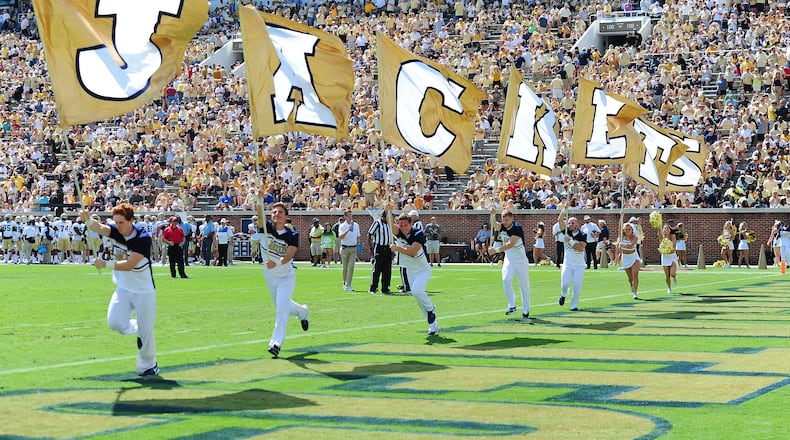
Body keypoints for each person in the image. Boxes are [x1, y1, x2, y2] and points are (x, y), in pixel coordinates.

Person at [80, 203, 159, 376]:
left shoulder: (142, 238)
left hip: (143, 290)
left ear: (131, 220)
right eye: (116, 222)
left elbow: (130, 264)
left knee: (147, 335)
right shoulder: (117, 230)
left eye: (121, 222)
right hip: (123, 288)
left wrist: (105, 264)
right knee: (115, 322)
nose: (118, 226)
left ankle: (148, 365)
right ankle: (136, 327)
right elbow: (100, 227)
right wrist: (88, 219)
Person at [255, 201, 309, 359]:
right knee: (285, 306)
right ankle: (303, 311)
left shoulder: (292, 234)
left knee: (281, 309)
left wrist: (276, 263)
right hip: (270, 276)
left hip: (285, 276)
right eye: (273, 212)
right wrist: (259, 199)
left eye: (279, 212)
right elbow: (259, 217)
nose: (276, 215)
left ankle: (275, 344)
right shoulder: (266, 229)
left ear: (286, 216)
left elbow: (290, 255)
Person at [391, 212, 439, 335]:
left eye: (406, 225)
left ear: (411, 224)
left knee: (417, 291)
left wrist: (398, 249)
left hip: (423, 269)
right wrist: (388, 211)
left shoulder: (418, 234)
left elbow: (412, 252)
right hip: (410, 270)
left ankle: (431, 308)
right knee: (418, 299)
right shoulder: (399, 231)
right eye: (400, 225)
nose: (403, 228)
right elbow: (391, 227)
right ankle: (433, 326)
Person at [489, 208, 531, 319]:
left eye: (507, 219)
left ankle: (526, 309)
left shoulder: (517, 228)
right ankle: (512, 305)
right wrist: (493, 214)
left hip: (521, 260)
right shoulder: (503, 226)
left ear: (512, 218)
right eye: (503, 219)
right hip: (509, 259)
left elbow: (510, 244)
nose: (505, 222)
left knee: (524, 285)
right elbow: (494, 224)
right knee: (506, 279)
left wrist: (496, 250)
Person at [557, 210, 587, 311]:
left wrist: (569, 241)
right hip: (568, 264)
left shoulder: (582, 234)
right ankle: (563, 295)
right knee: (564, 284)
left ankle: (574, 305)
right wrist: (565, 208)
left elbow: (580, 247)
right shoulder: (566, 232)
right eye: (569, 223)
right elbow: (560, 220)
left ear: (577, 224)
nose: (570, 225)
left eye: (572, 223)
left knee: (577, 285)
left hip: (579, 265)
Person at [368, 206, 393, 295]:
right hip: (380, 247)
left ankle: (385, 288)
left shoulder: (389, 225)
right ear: (383, 216)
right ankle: (373, 288)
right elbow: (370, 234)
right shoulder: (378, 223)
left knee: (387, 269)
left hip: (388, 248)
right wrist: (371, 248)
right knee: (377, 269)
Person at [338, 209, 360, 291]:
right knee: (345, 267)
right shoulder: (342, 226)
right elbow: (341, 237)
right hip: (344, 248)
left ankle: (348, 284)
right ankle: (345, 282)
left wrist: (358, 245)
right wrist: (348, 229)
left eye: (351, 216)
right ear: (345, 217)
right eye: (349, 216)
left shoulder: (356, 225)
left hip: (353, 248)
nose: (350, 218)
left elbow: (358, 236)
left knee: (351, 267)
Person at [619, 222, 641, 300]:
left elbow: (632, 244)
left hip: (634, 257)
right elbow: (619, 226)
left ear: (632, 230)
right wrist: (621, 216)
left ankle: (635, 293)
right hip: (625, 258)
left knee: (635, 274)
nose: (628, 230)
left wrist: (623, 245)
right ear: (624, 230)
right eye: (626, 229)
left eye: (630, 229)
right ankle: (631, 284)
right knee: (630, 277)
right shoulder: (621, 237)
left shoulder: (635, 237)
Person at [660, 223, 678, 293]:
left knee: (672, 273)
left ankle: (674, 277)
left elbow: (674, 245)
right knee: (667, 275)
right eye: (665, 228)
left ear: (670, 230)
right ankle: (669, 288)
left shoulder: (672, 236)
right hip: (665, 257)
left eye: (667, 228)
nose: (666, 230)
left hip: (672, 256)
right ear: (663, 230)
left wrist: (669, 248)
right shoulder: (662, 237)